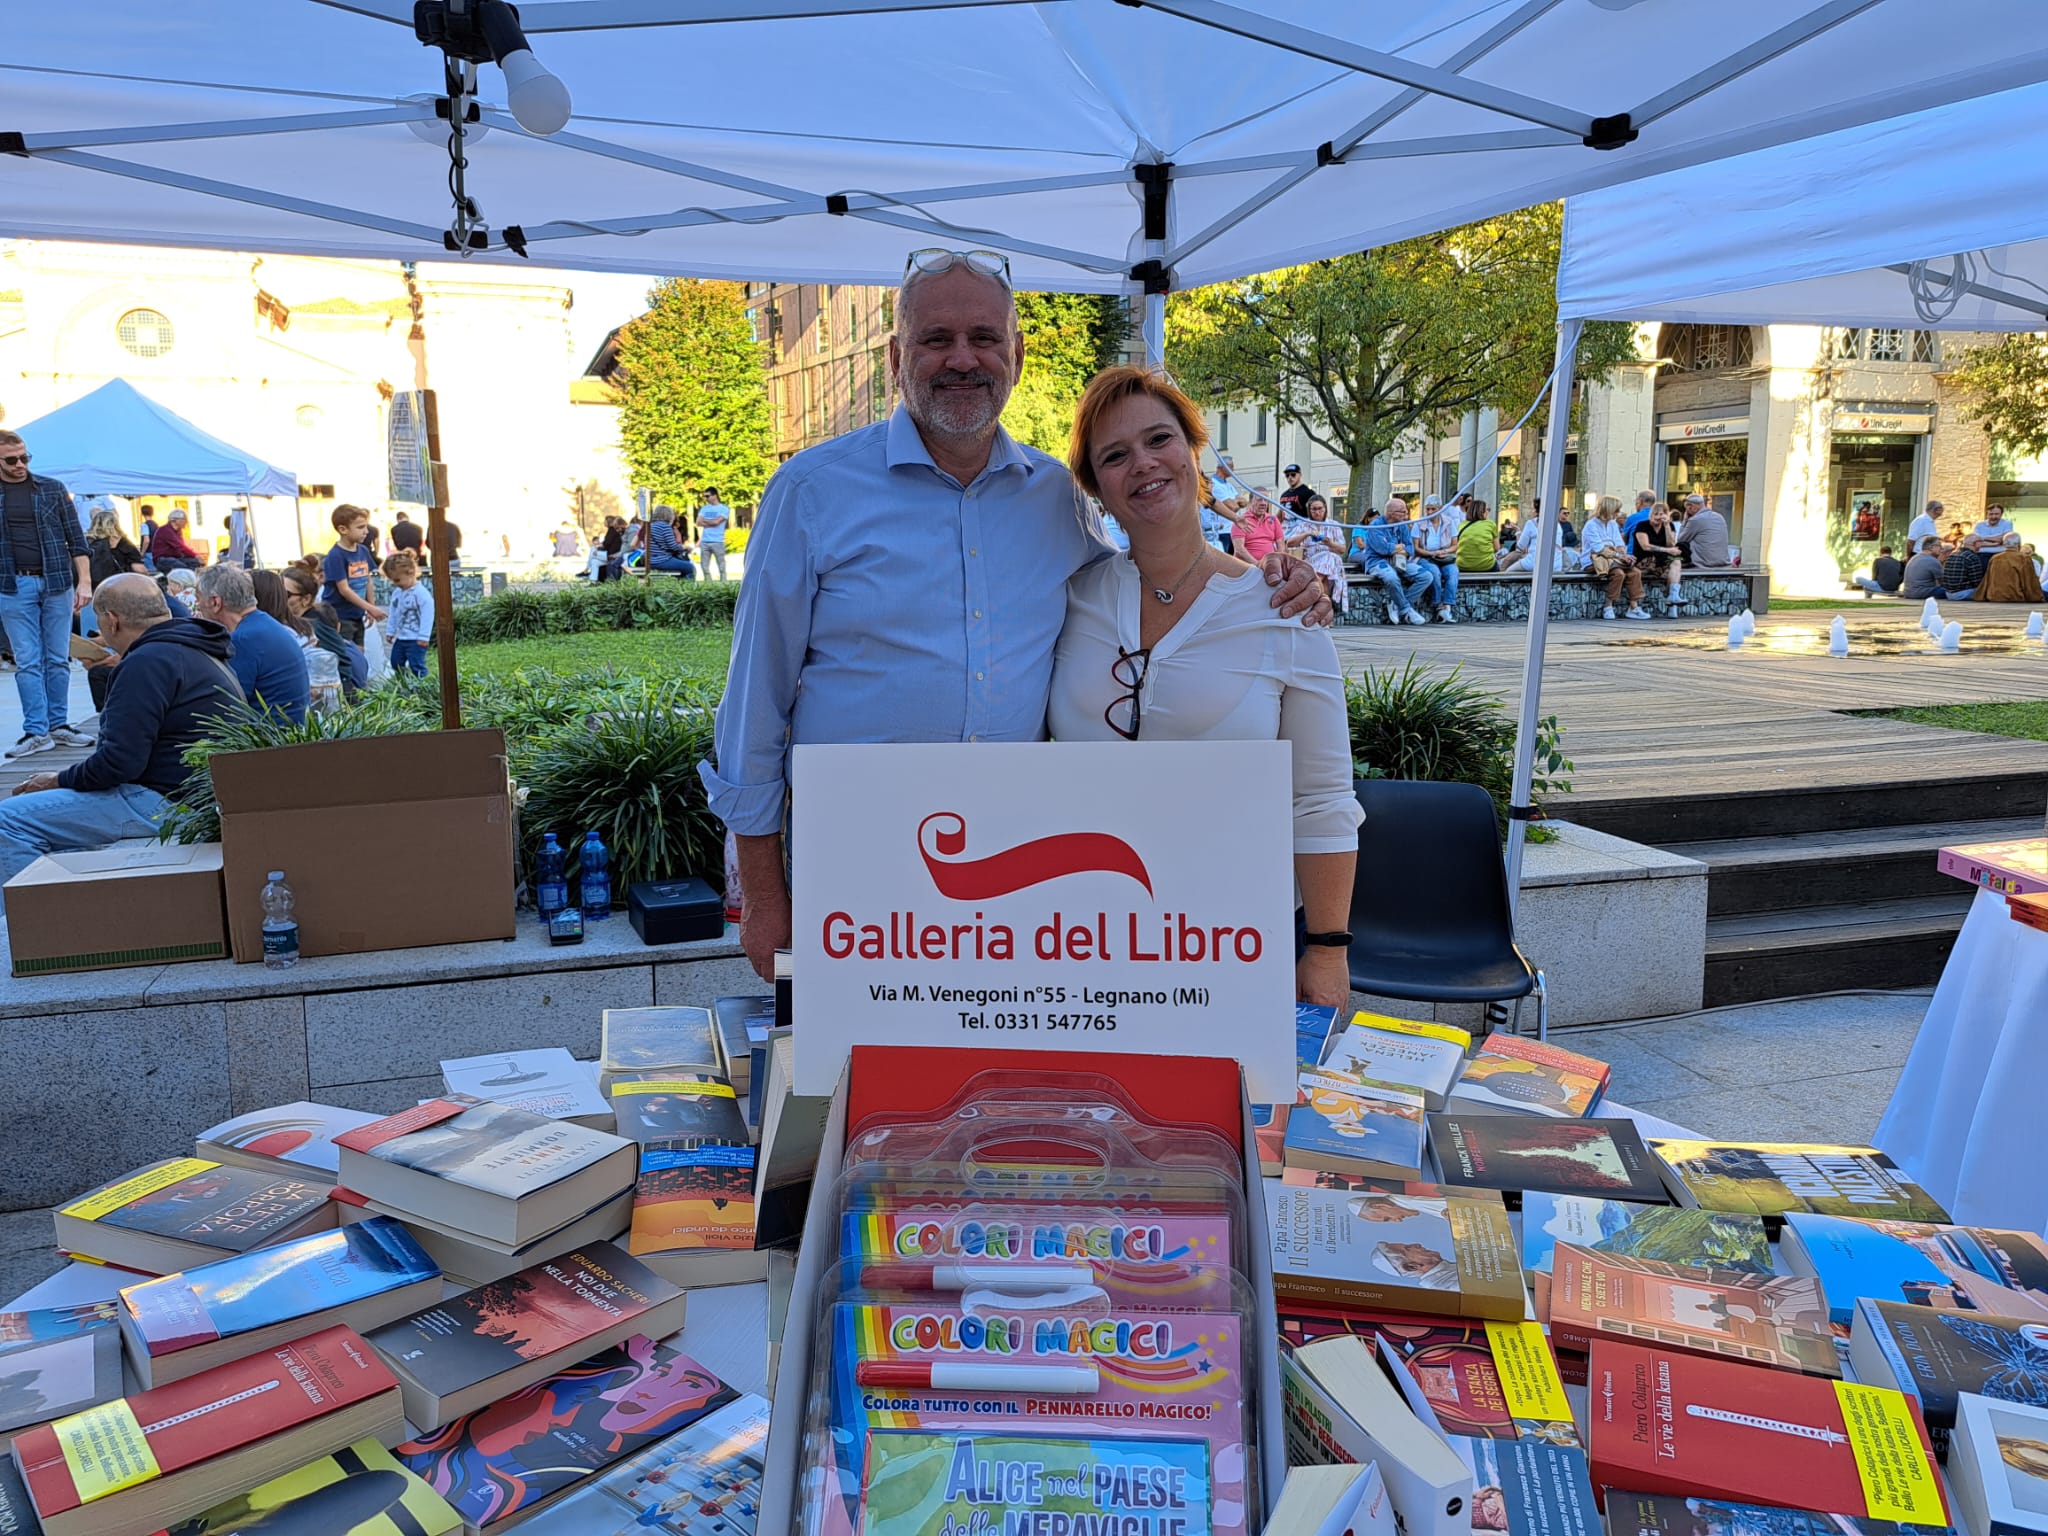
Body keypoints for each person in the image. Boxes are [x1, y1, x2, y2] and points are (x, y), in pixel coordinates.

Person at [703, 246, 1327, 981]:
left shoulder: (1056, 497)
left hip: (1013, 883)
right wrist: (765, 895)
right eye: (936, 340)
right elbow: (754, 705)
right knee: (847, 1086)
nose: (961, 359)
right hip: (855, 866)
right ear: (898, 355)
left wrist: (1268, 578)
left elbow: (1149, 579)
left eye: (984, 338)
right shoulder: (810, 492)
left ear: (1017, 354)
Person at [1049, 366, 1359, 1008]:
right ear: (1096, 489)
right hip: (1076, 938)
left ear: (1194, 451)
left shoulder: (1284, 608)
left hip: (1226, 941)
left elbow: (1322, 801)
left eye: (1159, 439)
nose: (1142, 464)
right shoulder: (1065, 600)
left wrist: (1326, 952)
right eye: (1114, 455)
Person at [0, 575, 244, 884]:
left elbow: (118, 764)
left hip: (166, 803)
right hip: (202, 795)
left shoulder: (146, 663)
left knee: (7, 821)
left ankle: (28, 926)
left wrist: (57, 780)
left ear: (112, 621)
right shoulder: (196, 650)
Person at [0, 428, 93, 759]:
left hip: (57, 583)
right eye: (11, 460)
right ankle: (35, 731)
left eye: (25, 457)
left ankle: (59, 725)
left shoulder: (52, 489)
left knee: (58, 658)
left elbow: (77, 539)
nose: (20, 464)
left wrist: (85, 582)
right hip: (12, 585)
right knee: (27, 661)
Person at [193, 564, 310, 724]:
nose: (196, 604)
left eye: (198, 598)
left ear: (215, 602)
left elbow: (225, 705)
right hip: (289, 733)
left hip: (269, 741)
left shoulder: (243, 639)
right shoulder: (264, 624)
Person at [1354, 497, 1436, 625]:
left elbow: (1410, 548)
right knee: (1391, 577)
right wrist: (1398, 546)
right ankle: (1406, 609)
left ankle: (1397, 604)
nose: (1406, 515)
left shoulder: (1402, 525)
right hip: (1377, 562)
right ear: (1392, 513)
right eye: (1403, 512)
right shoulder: (1375, 525)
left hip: (1400, 561)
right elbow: (1383, 549)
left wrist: (1399, 549)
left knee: (1426, 576)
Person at [320, 504, 385, 645]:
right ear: (343, 529)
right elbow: (344, 589)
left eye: (366, 526)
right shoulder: (336, 555)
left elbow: (368, 580)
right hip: (341, 615)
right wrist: (369, 607)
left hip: (357, 613)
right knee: (348, 652)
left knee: (360, 651)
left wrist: (370, 606)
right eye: (360, 527)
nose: (366, 532)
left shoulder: (363, 550)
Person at [1582, 495, 1648, 620]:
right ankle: (1608, 605)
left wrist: (1624, 555)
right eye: (1616, 511)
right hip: (1595, 560)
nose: (1618, 514)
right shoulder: (1591, 525)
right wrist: (1619, 556)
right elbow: (1599, 549)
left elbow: (1619, 543)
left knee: (1635, 572)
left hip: (1613, 559)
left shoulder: (1612, 524)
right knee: (1618, 573)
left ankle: (1634, 606)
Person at [1285, 494, 1349, 610]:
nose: (1317, 512)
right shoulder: (1304, 525)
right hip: (1311, 561)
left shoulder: (1333, 525)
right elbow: (1290, 543)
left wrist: (1329, 543)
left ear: (1325, 509)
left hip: (1330, 562)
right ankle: (1324, 613)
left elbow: (1342, 549)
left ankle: (1312, 585)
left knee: (1329, 557)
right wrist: (1306, 534)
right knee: (1324, 580)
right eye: (1314, 509)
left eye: (1320, 509)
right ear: (1309, 510)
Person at [381, 551, 435, 676]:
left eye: (397, 580)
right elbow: (393, 613)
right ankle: (404, 683)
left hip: (416, 638)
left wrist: (424, 636)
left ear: (410, 572)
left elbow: (428, 615)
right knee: (396, 662)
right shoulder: (398, 592)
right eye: (392, 580)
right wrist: (390, 631)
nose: (395, 583)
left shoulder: (421, 594)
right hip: (401, 637)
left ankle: (423, 685)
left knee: (416, 664)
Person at [1414, 495, 1461, 623]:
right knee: (1434, 572)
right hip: (1426, 556)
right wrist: (1430, 553)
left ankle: (1448, 607)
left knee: (1453, 572)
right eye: (1427, 509)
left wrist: (1444, 551)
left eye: (1433, 509)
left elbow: (1455, 545)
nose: (1429, 512)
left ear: (1440, 509)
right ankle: (1438, 604)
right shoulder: (1419, 523)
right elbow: (1416, 548)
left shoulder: (1449, 522)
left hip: (1444, 556)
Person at [1632, 501, 1685, 610]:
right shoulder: (1642, 525)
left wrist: (1666, 526)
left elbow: (1671, 544)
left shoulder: (1669, 526)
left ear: (1666, 515)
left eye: (1661, 514)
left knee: (1676, 562)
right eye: (1655, 514)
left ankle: (1673, 597)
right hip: (1644, 560)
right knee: (1672, 565)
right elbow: (1645, 546)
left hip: (1661, 560)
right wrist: (1667, 550)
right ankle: (1672, 606)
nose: (1657, 517)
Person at [85, 505, 148, 590]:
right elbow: (139, 569)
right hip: (118, 586)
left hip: (92, 587)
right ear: (116, 524)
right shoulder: (123, 543)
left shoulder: (88, 542)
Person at [1978, 533, 2047, 603]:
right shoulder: (2024, 558)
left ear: (2004, 544)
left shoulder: (1994, 558)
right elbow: (2029, 582)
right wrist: (2037, 598)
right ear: (2019, 544)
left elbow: (1986, 581)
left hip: (1994, 597)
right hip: (2016, 597)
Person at [1676, 493, 1731, 569]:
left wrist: (1685, 520)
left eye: (1686, 508)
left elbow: (1680, 540)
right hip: (1723, 563)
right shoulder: (1719, 517)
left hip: (1703, 564)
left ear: (1691, 506)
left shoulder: (1695, 520)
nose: (1686, 511)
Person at [1233, 490, 1286, 567]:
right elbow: (1239, 549)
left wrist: (1276, 561)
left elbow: (1281, 544)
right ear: (1251, 502)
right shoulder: (1241, 520)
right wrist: (1257, 564)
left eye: (1266, 500)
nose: (1263, 503)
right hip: (1247, 567)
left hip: (1269, 566)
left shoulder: (1273, 519)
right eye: (1259, 499)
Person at [645, 505, 697, 577]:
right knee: (690, 568)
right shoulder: (665, 526)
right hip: (662, 560)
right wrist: (685, 547)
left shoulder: (651, 525)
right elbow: (673, 546)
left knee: (681, 568)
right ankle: (688, 587)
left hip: (649, 561)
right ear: (668, 515)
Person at [697, 489, 732, 580]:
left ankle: (723, 583)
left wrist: (706, 521)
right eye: (705, 496)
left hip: (718, 541)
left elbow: (717, 522)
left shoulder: (724, 508)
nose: (706, 498)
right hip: (705, 541)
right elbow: (698, 522)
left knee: (721, 565)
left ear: (715, 495)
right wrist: (711, 522)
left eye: (707, 496)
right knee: (704, 565)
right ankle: (708, 583)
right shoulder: (704, 508)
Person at [1456, 499, 1498, 572]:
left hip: (1463, 565)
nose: (1488, 512)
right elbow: (1497, 548)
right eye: (1487, 510)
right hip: (1487, 565)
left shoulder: (1461, 525)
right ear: (1482, 512)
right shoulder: (1490, 524)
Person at [1901, 536, 1948, 600]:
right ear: (1931, 547)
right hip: (1923, 593)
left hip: (1908, 593)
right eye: (1939, 545)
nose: (1941, 549)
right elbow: (1944, 582)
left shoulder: (1914, 558)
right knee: (1952, 591)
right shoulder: (1933, 561)